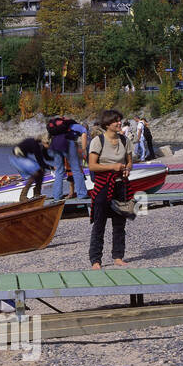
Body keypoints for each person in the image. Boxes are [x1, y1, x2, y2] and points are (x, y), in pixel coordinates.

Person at [86, 109, 133, 268]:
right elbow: (92, 165)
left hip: (121, 185)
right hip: (103, 185)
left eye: (120, 120)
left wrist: (127, 169)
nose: (119, 123)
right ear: (107, 124)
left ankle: (118, 256)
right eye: (116, 121)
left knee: (120, 223)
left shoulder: (125, 140)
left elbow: (129, 162)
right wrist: (113, 166)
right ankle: (96, 260)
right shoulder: (97, 141)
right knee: (99, 223)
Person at [46, 113, 87, 201]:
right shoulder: (76, 126)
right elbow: (84, 133)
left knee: (59, 171)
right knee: (76, 169)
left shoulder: (57, 129)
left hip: (55, 144)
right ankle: (82, 194)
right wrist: (84, 150)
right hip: (67, 142)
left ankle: (57, 196)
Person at [9, 135, 51, 203]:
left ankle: (37, 194)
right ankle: (23, 196)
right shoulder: (35, 145)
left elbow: (46, 157)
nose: (50, 147)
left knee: (41, 172)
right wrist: (51, 167)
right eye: (48, 144)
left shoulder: (41, 146)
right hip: (17, 157)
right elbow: (40, 161)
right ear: (44, 142)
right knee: (36, 172)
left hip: (23, 157)